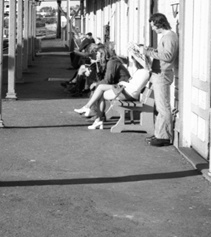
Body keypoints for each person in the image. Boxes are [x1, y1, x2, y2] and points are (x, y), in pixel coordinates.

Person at [73, 43, 139, 129]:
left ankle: (90, 110)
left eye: (98, 54)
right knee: (100, 92)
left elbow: (108, 80)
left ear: (103, 54)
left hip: (123, 89)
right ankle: (98, 119)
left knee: (99, 88)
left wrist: (96, 84)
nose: (97, 56)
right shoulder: (110, 62)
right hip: (119, 87)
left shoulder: (112, 63)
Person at [139, 13, 179, 147]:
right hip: (159, 73)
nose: (153, 29)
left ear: (159, 24)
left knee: (163, 106)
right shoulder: (167, 37)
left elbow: (167, 56)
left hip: (162, 74)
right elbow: (163, 53)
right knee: (160, 106)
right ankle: (159, 134)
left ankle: (164, 137)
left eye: (153, 26)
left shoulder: (169, 37)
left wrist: (147, 52)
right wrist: (149, 50)